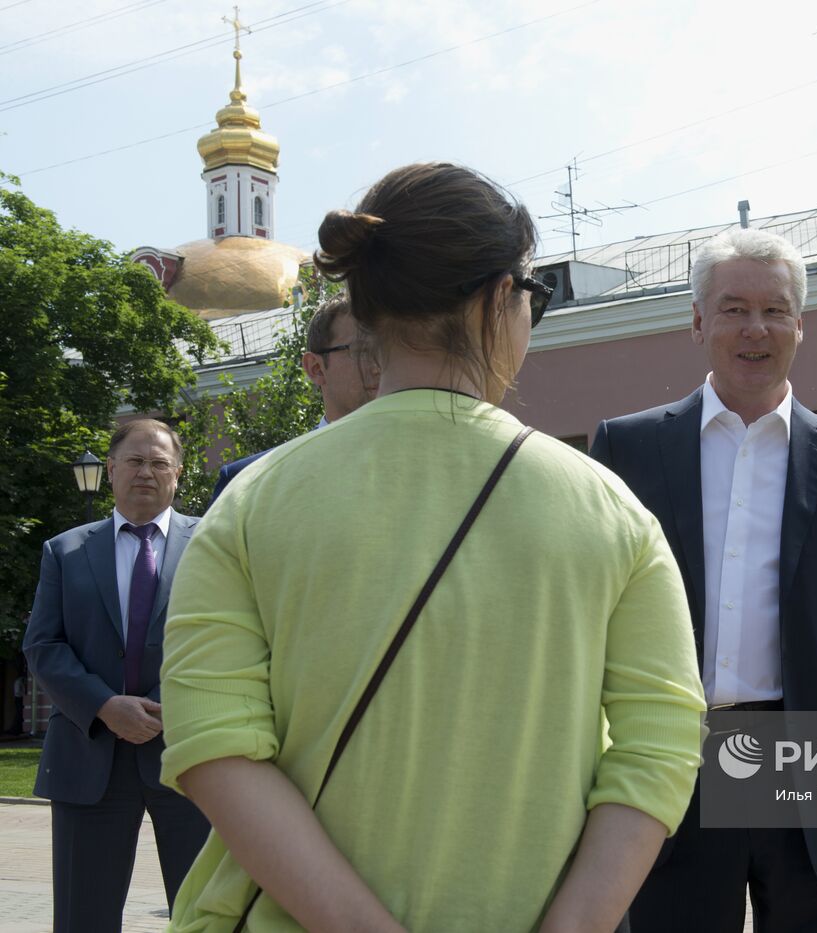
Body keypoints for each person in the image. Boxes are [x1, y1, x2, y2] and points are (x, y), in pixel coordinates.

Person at [158, 162, 706, 932]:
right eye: (530, 296)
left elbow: (214, 746)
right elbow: (662, 743)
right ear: (495, 301)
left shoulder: (251, 504)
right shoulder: (610, 512)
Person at [591, 228, 817, 933]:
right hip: (675, 753)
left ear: (801, 324)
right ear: (698, 321)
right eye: (734, 309)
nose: (755, 328)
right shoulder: (629, 447)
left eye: (776, 309)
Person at [22, 419, 211, 933]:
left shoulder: (217, 545)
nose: (145, 472)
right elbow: (43, 645)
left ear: (178, 474)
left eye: (158, 462)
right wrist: (106, 706)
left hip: (191, 754)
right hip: (88, 758)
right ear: (109, 470)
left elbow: (230, 639)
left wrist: (169, 703)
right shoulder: (65, 551)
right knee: (84, 917)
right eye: (133, 460)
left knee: (208, 915)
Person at [208, 292, 378, 502]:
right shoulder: (248, 483)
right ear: (316, 368)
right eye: (362, 351)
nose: (380, 365)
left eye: (387, 352)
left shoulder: (425, 460)